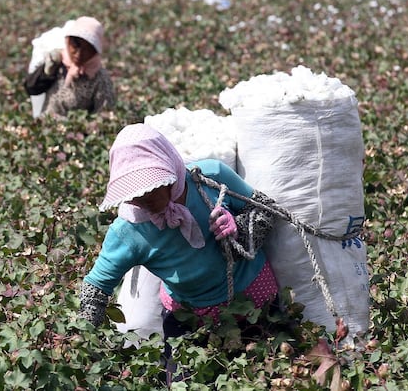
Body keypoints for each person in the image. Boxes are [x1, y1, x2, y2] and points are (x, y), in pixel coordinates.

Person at [78, 124, 279, 358]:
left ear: (170, 167)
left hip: (252, 299)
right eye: (135, 192)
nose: (144, 198)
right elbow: (96, 287)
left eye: (151, 186)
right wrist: (83, 346)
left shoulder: (209, 177)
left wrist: (239, 229)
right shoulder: (128, 230)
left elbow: (265, 209)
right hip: (190, 317)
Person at [23, 16, 115, 117]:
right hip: (48, 124)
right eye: (75, 46)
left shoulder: (100, 78)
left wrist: (82, 127)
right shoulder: (57, 62)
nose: (78, 54)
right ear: (68, 41)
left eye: (86, 49)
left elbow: (104, 115)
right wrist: (47, 72)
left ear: (94, 51)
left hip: (79, 131)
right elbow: (31, 88)